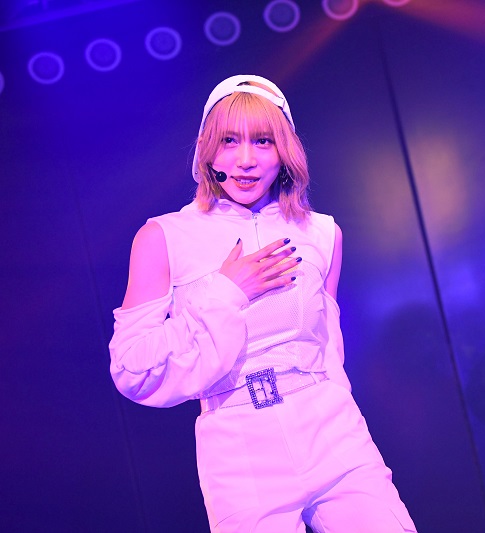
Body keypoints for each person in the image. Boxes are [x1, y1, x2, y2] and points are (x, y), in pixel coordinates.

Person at [109, 74, 416, 533]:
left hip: (331, 431)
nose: (246, 160)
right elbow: (132, 369)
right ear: (207, 150)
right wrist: (226, 291)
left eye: (263, 141)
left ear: (285, 151)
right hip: (239, 448)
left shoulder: (322, 233)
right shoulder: (164, 236)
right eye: (229, 141)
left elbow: (329, 351)